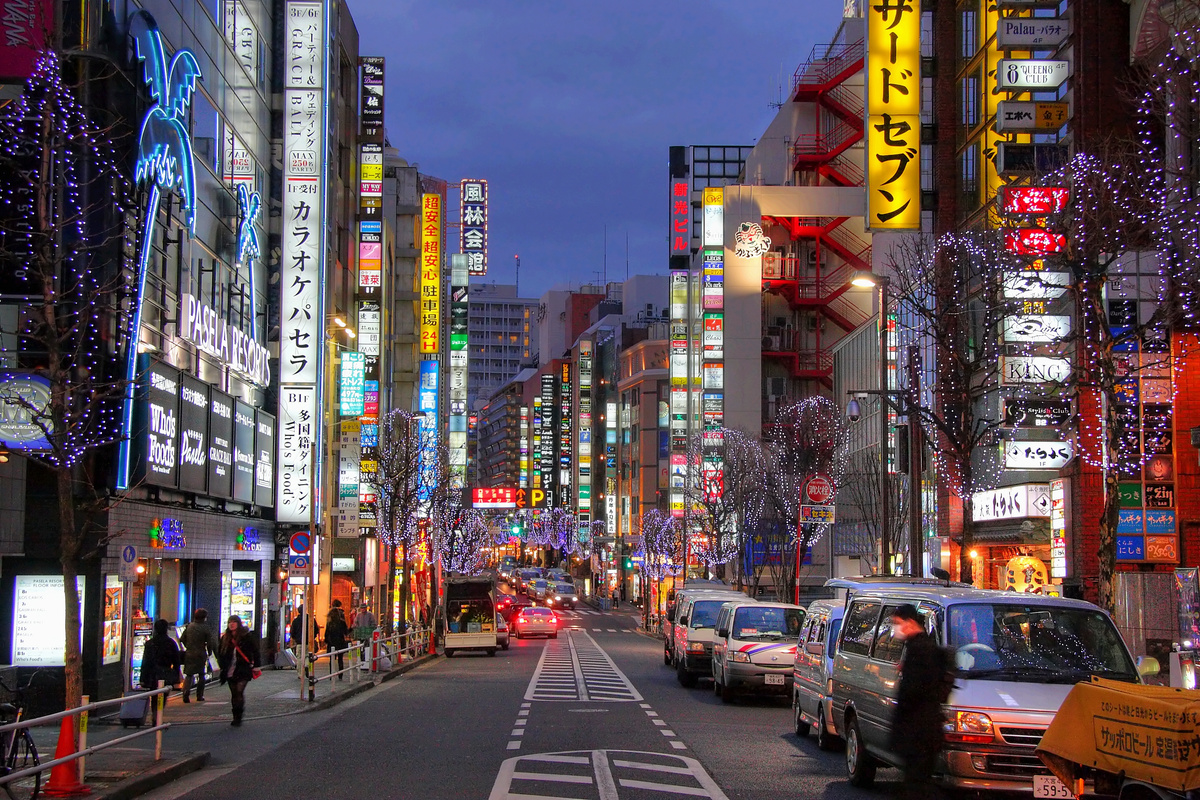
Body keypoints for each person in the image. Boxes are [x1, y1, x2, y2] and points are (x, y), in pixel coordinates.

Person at [888, 604, 953, 800]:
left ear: (910, 622)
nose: (895, 629)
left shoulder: (921, 650)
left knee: (917, 785)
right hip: (923, 730)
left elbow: (914, 692)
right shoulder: (920, 647)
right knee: (918, 782)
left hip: (919, 731)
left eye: (898, 623)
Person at [217, 615, 259, 727]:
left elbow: (255, 650)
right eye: (230, 622)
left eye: (234, 622)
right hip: (230, 669)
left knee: (239, 691)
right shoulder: (225, 638)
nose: (232, 624)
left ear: (238, 623)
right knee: (234, 692)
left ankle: (238, 716)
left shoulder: (246, 636)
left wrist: (256, 665)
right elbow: (220, 653)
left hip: (243, 668)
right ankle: (235, 714)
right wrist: (221, 666)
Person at [139, 619, 182, 703]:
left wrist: (143, 678)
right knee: (163, 697)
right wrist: (176, 676)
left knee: (154, 695)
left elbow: (146, 662)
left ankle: (155, 713)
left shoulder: (150, 643)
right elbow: (176, 661)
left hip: (152, 674)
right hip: (166, 673)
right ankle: (158, 713)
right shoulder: (171, 643)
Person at [180, 609, 218, 703]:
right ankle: (199, 695)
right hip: (200, 653)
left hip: (189, 653)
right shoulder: (205, 628)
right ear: (204, 617)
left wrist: (187, 646)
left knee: (189, 674)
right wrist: (209, 652)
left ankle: (186, 693)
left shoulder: (189, 626)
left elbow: (182, 639)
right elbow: (210, 643)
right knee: (201, 674)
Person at [325, 601, 349, 678]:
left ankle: (331, 674)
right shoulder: (342, 622)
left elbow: (327, 633)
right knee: (340, 658)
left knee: (332, 659)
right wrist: (352, 628)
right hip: (340, 641)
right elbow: (346, 632)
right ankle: (340, 674)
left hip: (331, 642)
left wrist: (326, 641)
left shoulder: (329, 623)